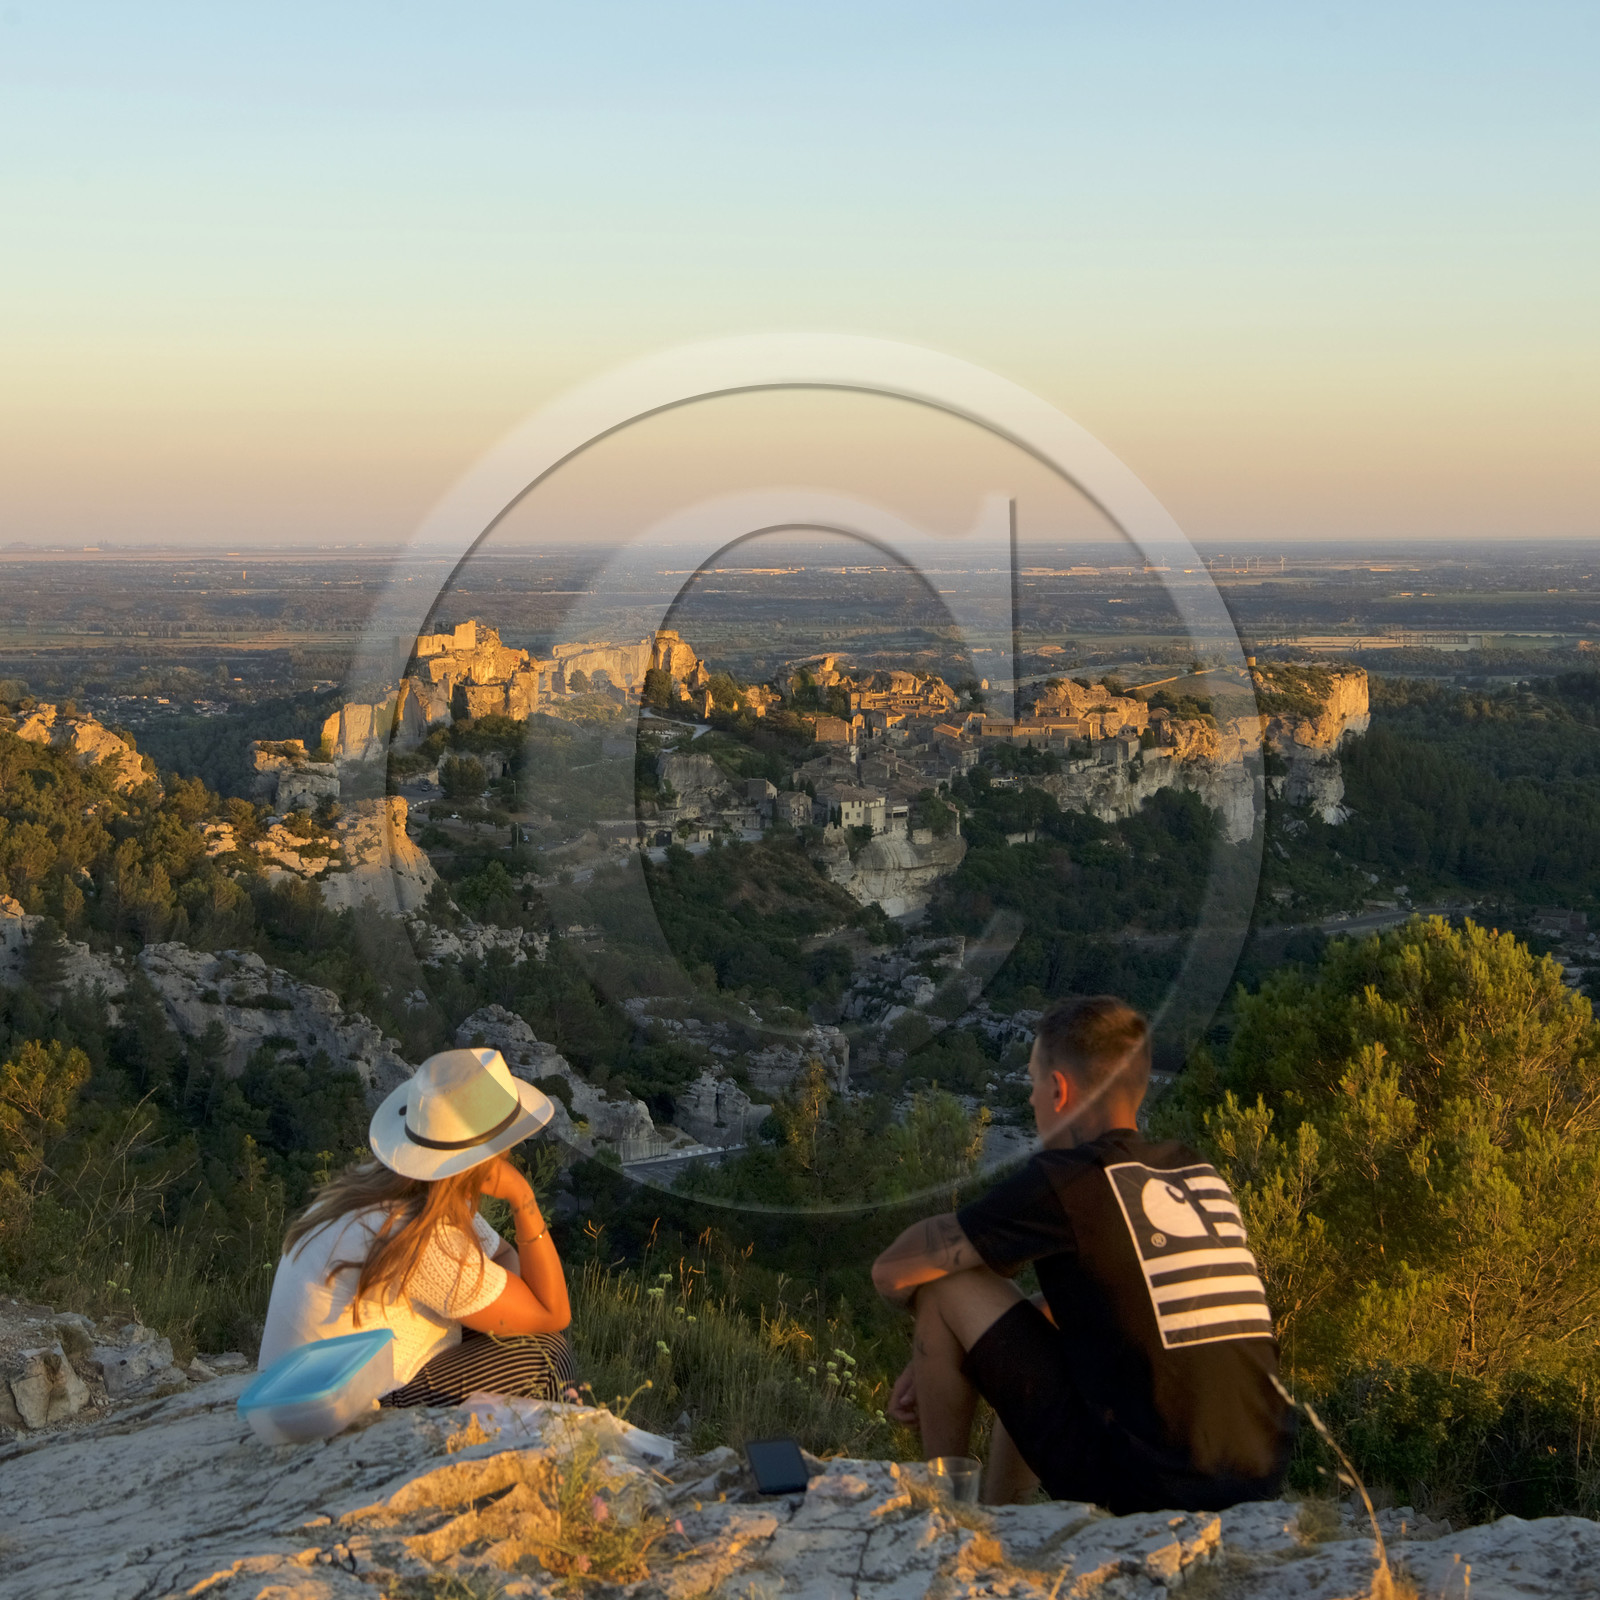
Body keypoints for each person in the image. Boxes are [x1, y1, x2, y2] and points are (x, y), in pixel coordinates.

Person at [871, 995, 1292, 1511]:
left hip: (1149, 1488)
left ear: (1058, 1089)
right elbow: (1113, 1311)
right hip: (1257, 1479)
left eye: (1032, 1083)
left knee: (943, 1285)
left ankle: (944, 1511)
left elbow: (891, 1271)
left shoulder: (1067, 1178)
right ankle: (1005, 1520)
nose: (1031, 1100)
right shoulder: (1195, 1172)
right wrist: (953, 1349)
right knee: (1042, 1333)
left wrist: (933, 1333)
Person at [259, 1045, 576, 1407]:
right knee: (546, 1357)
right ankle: (556, 1443)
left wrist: (504, 1304)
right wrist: (523, 1199)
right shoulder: (416, 1230)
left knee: (521, 1327)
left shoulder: (392, 1186)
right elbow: (553, 1312)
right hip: (339, 1405)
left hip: (308, 1388)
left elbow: (502, 1255)